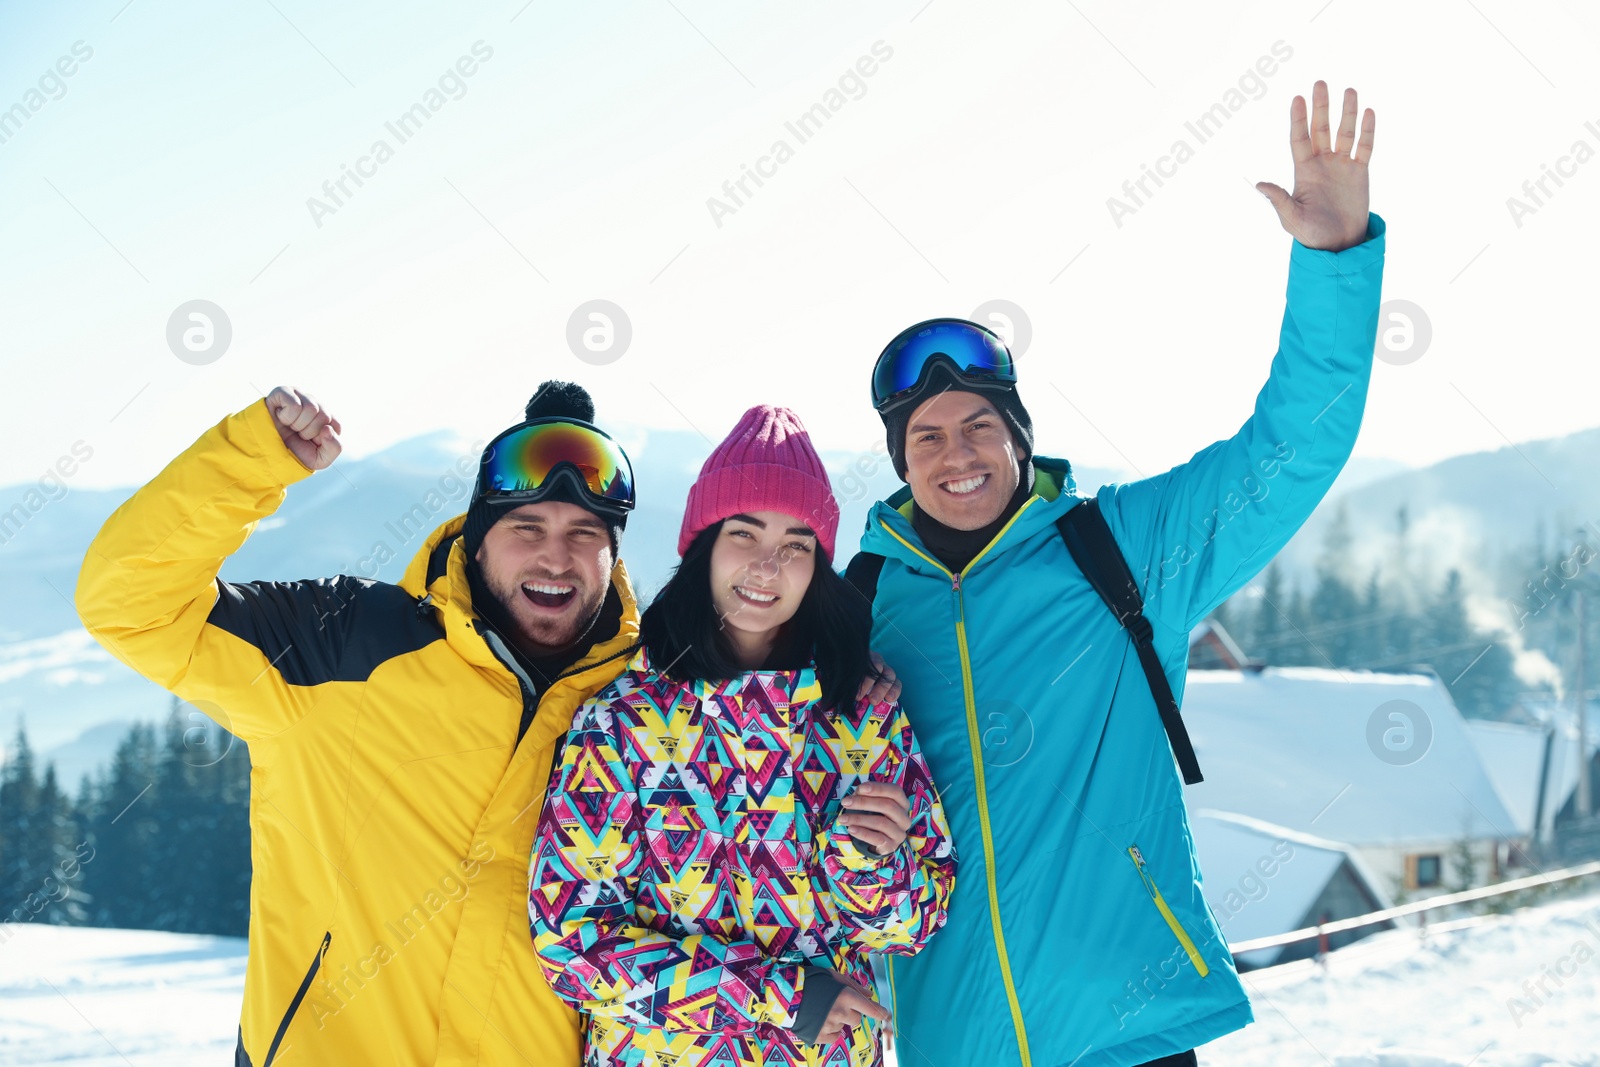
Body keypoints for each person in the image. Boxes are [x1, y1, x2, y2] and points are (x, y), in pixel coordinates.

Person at [74, 380, 903, 1065]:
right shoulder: (341, 646)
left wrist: (852, 678)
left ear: (616, 555)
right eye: (526, 529)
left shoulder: (647, 699)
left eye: (586, 534)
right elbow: (128, 604)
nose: (555, 556)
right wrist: (250, 462)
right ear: (475, 538)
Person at [847, 81, 1385, 1067]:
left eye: (979, 424)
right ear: (900, 461)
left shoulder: (1116, 548)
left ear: (1019, 441)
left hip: (1129, 1029)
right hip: (949, 1039)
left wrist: (1333, 260)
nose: (954, 451)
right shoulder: (860, 607)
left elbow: (1293, 445)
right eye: (926, 434)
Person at [529, 405, 957, 1067]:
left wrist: (869, 866)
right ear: (702, 545)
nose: (768, 564)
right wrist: (779, 995)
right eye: (745, 534)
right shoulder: (619, 725)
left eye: (796, 544)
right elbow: (572, 942)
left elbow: (916, 922)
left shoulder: (864, 713)